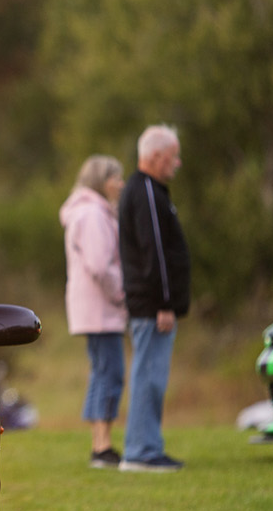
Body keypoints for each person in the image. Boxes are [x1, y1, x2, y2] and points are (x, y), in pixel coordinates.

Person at [117, 125, 190, 472]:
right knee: (149, 377)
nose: (177, 162)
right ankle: (141, 452)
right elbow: (155, 251)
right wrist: (164, 302)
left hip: (151, 304)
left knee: (151, 376)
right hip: (152, 306)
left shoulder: (150, 190)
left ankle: (145, 447)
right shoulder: (145, 191)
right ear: (156, 156)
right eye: (173, 156)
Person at [60, 155, 128, 469]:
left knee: (102, 372)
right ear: (101, 181)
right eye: (116, 178)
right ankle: (102, 446)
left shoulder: (87, 211)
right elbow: (100, 265)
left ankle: (99, 444)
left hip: (93, 309)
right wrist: (121, 292)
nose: (121, 184)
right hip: (101, 309)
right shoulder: (93, 214)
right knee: (110, 373)